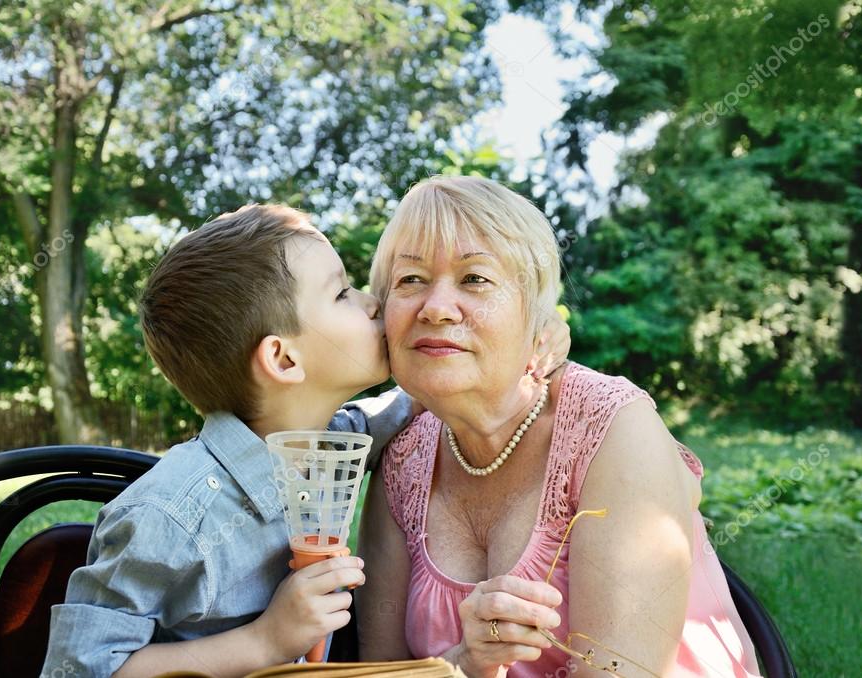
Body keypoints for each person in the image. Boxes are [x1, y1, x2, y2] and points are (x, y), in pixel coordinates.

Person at [39, 203, 572, 677]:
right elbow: (79, 669)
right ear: (284, 359)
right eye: (342, 293)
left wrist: (530, 338)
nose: (373, 302)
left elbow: (411, 399)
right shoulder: (173, 514)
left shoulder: (332, 444)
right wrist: (265, 640)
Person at [356, 176, 762, 677]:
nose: (436, 307)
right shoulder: (400, 461)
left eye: (475, 279)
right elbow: (378, 671)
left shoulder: (610, 427)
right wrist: (464, 665)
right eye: (410, 280)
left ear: (535, 315)